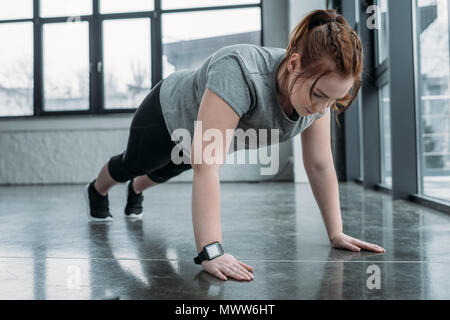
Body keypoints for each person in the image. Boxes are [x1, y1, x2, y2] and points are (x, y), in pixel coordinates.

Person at [84, 9, 386, 282]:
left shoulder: (317, 96)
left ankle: (136, 189)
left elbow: (319, 164)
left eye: (334, 100)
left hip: (199, 136)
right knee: (137, 164)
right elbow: (207, 165)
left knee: (166, 171)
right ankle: (97, 190)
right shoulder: (240, 70)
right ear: (294, 63)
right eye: (320, 95)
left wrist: (335, 232)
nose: (323, 108)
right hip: (165, 115)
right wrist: (211, 251)